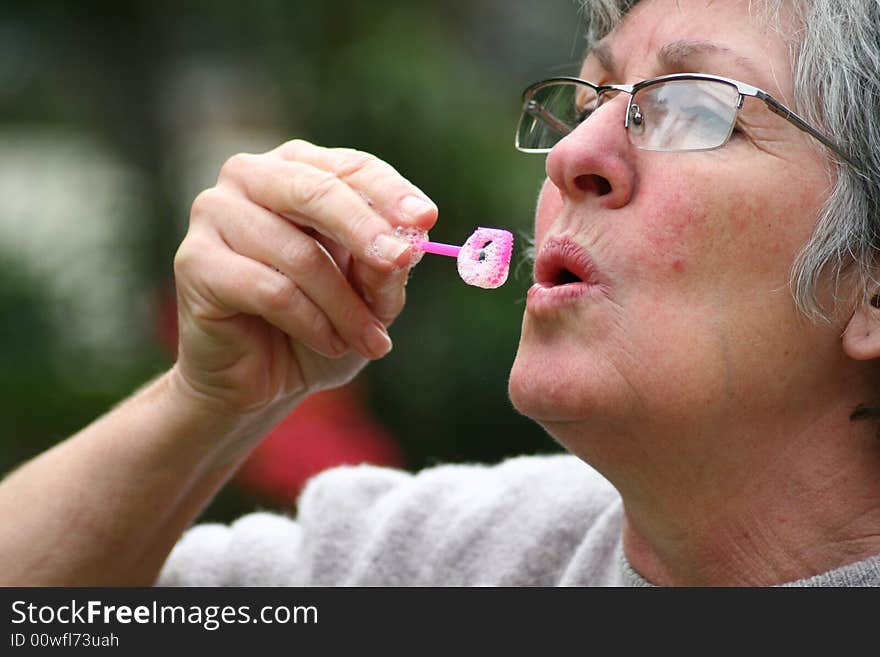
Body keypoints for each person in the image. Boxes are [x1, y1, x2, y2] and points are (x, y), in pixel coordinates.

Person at [3, 0, 880, 587]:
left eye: (692, 105)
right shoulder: (442, 556)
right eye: (590, 97)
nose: (574, 154)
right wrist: (209, 403)